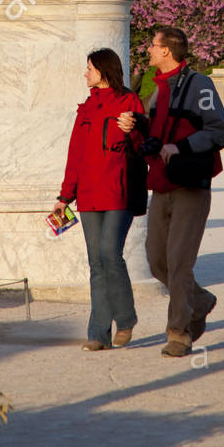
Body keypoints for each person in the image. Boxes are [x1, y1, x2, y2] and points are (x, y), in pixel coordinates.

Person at [118, 25, 224, 358]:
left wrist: (181, 146)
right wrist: (138, 128)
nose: (148, 50)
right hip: (161, 182)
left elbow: (219, 130)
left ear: (167, 50)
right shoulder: (158, 89)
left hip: (191, 185)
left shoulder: (200, 85)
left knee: (179, 262)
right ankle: (201, 301)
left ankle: (178, 332)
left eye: (152, 46)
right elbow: (154, 138)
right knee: (155, 260)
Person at [55, 49, 147, 351]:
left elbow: (143, 146)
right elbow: (75, 156)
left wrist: (132, 130)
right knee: (96, 263)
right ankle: (98, 334)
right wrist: (64, 196)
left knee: (110, 253)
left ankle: (126, 318)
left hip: (118, 193)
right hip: (88, 196)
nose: (85, 73)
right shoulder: (86, 109)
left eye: (90, 68)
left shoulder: (129, 102)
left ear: (104, 71)